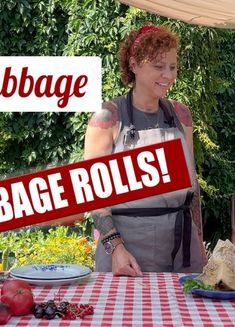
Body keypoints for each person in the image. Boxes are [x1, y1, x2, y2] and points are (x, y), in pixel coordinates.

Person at [84, 24, 208, 276]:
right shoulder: (107, 117)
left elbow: (191, 188)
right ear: (134, 64)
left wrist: (198, 244)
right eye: (158, 66)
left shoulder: (181, 115)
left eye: (172, 67)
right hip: (127, 251)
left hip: (181, 249)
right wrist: (116, 248)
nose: (168, 75)